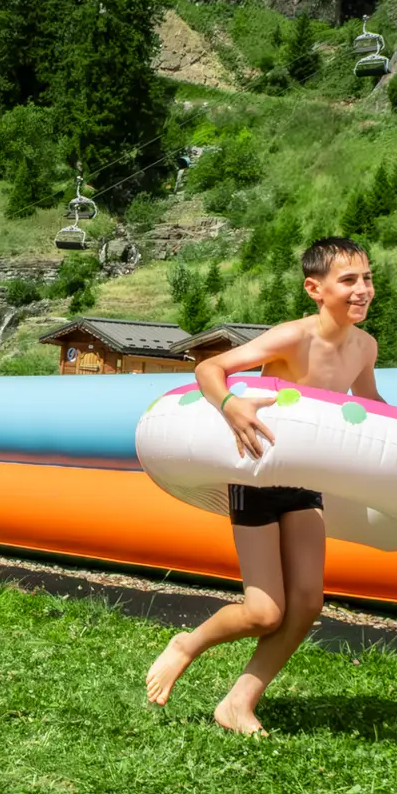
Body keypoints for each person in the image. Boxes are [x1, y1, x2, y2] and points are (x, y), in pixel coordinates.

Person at [143, 237, 383, 736]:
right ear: (314, 289)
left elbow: (372, 408)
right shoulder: (292, 338)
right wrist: (230, 405)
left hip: (305, 479)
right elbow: (210, 368)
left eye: (367, 278)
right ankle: (187, 644)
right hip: (258, 472)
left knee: (308, 603)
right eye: (349, 281)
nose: (363, 290)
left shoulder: (364, 346)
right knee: (264, 611)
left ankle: (238, 703)